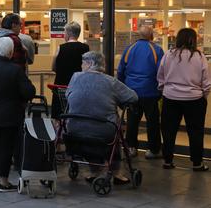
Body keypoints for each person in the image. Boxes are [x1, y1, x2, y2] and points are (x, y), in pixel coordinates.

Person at [66, 51, 138, 184]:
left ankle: (95, 171)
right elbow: (133, 97)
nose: (81, 65)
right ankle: (116, 173)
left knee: (91, 128)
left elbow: (68, 96)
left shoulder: (75, 77)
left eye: (83, 62)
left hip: (74, 127)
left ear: (90, 63)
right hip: (103, 130)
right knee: (114, 129)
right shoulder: (110, 81)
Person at [0, 37, 35, 192]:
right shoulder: (16, 70)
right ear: (10, 52)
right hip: (10, 115)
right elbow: (28, 91)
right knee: (6, 148)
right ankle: (4, 181)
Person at [157, 28, 210, 171]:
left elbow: (160, 77)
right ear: (193, 39)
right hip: (194, 99)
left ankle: (167, 161)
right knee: (195, 132)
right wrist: (203, 95)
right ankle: (197, 163)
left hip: (171, 98)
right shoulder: (199, 57)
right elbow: (206, 81)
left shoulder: (168, 55)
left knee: (168, 130)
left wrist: (165, 90)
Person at [117, 25, 164, 159]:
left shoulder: (129, 49)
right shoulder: (157, 50)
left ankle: (131, 148)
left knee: (132, 121)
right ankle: (153, 150)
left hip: (132, 92)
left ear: (138, 35)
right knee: (152, 122)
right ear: (151, 36)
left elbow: (120, 71)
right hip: (150, 92)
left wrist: (123, 88)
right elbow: (161, 72)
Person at [51, 21, 89, 118]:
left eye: (64, 32)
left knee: (60, 113)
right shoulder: (86, 48)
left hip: (61, 85)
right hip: (79, 86)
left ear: (68, 33)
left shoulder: (61, 48)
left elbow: (53, 67)